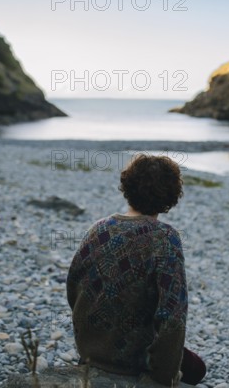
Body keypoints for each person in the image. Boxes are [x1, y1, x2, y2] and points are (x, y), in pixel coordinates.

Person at [67, 154, 206, 386]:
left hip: (91, 352)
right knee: (197, 368)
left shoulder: (98, 229)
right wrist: (160, 378)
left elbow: (73, 287)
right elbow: (172, 317)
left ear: (127, 186)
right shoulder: (165, 238)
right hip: (133, 359)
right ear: (171, 196)